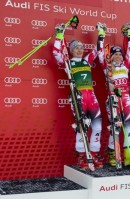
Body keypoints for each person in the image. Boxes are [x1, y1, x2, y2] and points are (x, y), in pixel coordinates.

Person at [52, 23, 103, 169]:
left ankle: (93, 154)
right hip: (77, 97)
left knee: (97, 127)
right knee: (81, 128)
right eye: (76, 48)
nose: (79, 50)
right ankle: (81, 156)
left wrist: (101, 33)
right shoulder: (67, 63)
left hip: (91, 98)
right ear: (72, 51)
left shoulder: (87, 60)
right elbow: (56, 52)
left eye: (81, 48)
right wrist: (60, 35)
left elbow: (98, 49)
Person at [97, 22, 130, 167]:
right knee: (115, 127)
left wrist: (129, 36)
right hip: (112, 99)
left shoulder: (125, 65)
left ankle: (128, 156)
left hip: (126, 98)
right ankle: (113, 155)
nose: (117, 57)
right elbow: (99, 53)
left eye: (119, 54)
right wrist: (101, 36)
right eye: (115, 54)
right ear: (111, 56)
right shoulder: (107, 67)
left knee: (127, 126)